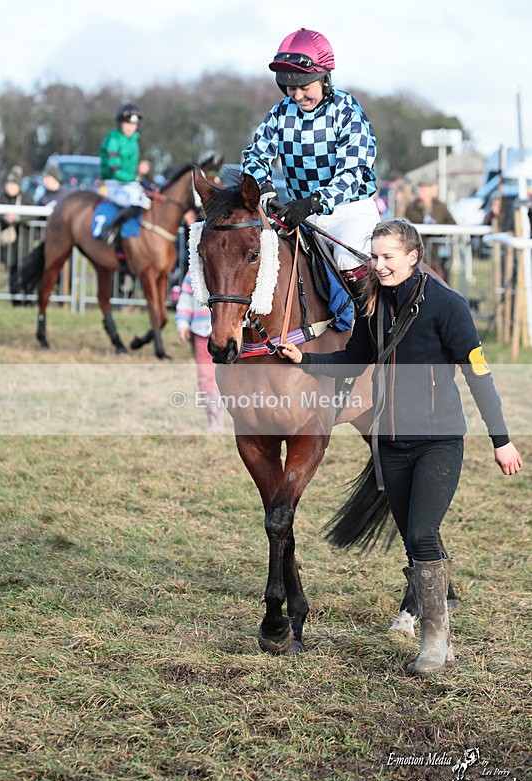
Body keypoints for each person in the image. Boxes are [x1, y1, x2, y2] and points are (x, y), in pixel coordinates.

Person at [278, 218, 522, 677]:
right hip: (389, 444)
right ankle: (435, 626)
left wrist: (501, 440)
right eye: (374, 256)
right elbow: (354, 359)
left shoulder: (448, 306)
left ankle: (435, 641)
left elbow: (478, 374)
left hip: (440, 441)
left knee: (423, 533)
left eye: (388, 256)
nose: (379, 265)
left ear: (413, 256)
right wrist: (305, 358)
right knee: (412, 539)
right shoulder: (374, 306)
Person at [242, 27, 380, 287]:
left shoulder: (347, 110)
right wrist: (265, 188)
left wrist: (314, 201)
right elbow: (255, 156)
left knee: (347, 261)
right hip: (299, 214)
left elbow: (353, 174)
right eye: (289, 88)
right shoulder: (281, 112)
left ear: (324, 79)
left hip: (349, 213)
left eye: (304, 87)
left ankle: (368, 326)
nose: (297, 95)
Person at [176, 269, 224, 433]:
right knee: (205, 377)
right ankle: (214, 419)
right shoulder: (193, 273)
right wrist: (182, 322)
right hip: (201, 331)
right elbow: (186, 297)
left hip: (227, 332)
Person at [99, 102, 151, 246]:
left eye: (133, 124)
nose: (130, 127)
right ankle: (110, 229)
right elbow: (114, 169)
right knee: (134, 204)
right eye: (127, 123)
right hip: (112, 183)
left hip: (130, 183)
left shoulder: (134, 140)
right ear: (120, 123)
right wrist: (133, 178)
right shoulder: (113, 139)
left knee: (149, 202)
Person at [0, 166, 36, 302]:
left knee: (26, 270)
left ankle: (28, 298)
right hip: (9, 245)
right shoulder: (2, 198)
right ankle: (14, 298)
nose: (9, 187)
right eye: (8, 184)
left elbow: (34, 215)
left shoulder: (27, 198)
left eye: (12, 184)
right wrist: (5, 217)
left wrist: (18, 218)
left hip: (24, 242)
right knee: (12, 271)